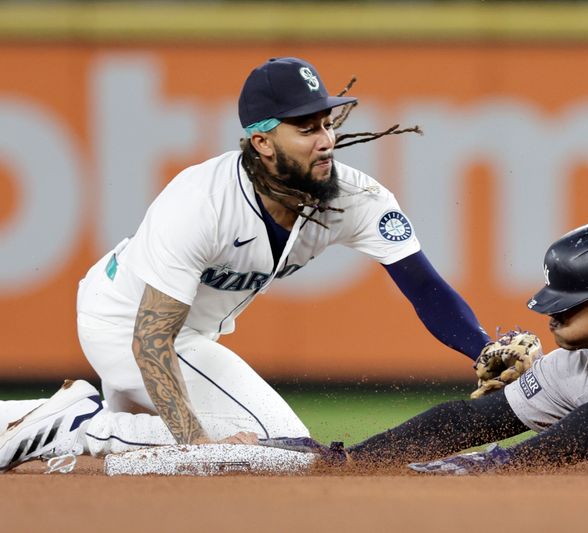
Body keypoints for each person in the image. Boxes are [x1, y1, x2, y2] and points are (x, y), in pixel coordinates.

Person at [0, 57, 493, 471]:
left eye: (326, 123)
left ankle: (41, 424)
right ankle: (79, 424)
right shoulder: (201, 202)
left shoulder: (354, 198)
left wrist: (484, 353)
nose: (325, 140)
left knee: (199, 458)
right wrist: (195, 447)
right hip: (128, 322)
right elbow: (151, 340)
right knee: (281, 453)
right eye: (305, 128)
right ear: (261, 141)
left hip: (185, 333)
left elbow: (426, 289)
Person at [269, 220, 588, 473]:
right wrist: (357, 460)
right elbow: (472, 422)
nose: (550, 311)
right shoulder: (578, 366)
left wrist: (500, 467)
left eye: (569, 300)